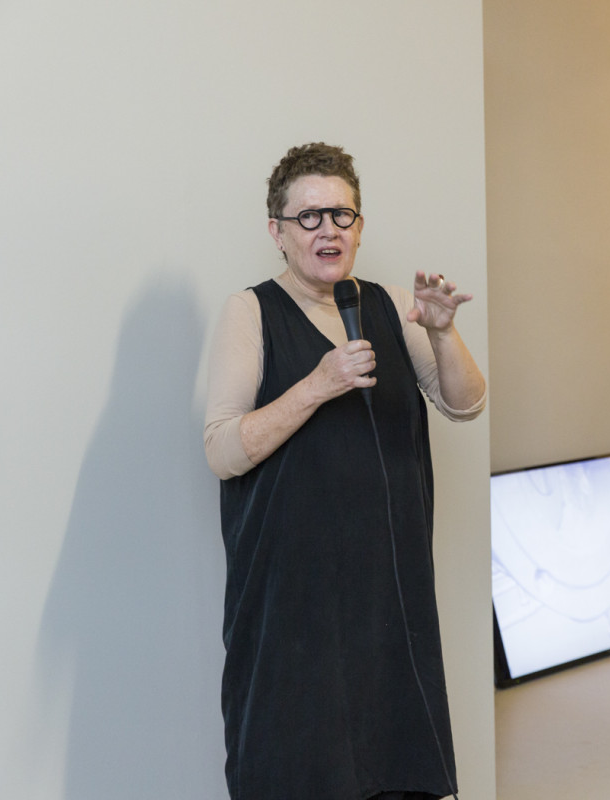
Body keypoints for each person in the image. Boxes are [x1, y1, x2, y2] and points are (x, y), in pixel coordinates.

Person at [203, 142, 487, 799]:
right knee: (297, 768)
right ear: (276, 231)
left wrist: (443, 333)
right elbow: (221, 450)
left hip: (388, 598)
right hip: (290, 605)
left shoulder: (390, 306)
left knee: (395, 768)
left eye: (342, 214)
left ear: (360, 226)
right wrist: (317, 385)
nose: (327, 229)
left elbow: (466, 404)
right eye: (308, 217)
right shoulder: (251, 312)